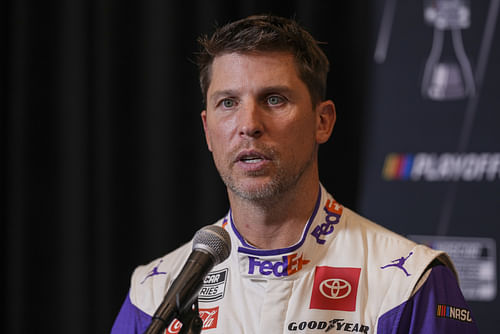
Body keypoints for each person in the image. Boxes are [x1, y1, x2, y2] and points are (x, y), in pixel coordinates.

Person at [111, 14, 478, 333]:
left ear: (323, 121)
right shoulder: (154, 293)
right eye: (228, 103)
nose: (249, 125)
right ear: (207, 130)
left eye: (274, 99)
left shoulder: (407, 282)